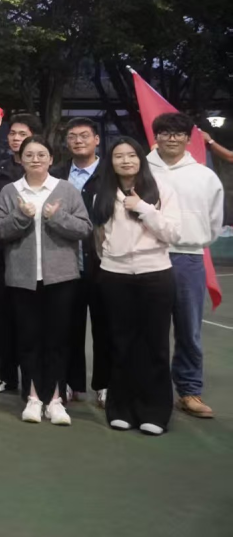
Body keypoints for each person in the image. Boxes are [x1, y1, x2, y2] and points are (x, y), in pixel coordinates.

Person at [0, 135, 93, 426]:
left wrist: (56, 218)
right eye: (29, 155)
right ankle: (34, 397)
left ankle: (56, 400)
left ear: (51, 159)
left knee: (58, 340)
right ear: (20, 159)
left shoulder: (66, 190)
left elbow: (84, 228)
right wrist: (21, 216)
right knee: (28, 339)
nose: (35, 159)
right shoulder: (11, 191)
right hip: (22, 279)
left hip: (61, 278)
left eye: (41, 154)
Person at [89, 137, 182, 435]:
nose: (126, 160)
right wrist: (113, 261)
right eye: (119, 156)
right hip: (114, 276)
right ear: (111, 162)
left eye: (131, 155)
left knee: (154, 344)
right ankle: (121, 409)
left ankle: (154, 412)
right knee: (120, 343)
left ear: (141, 159)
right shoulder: (103, 195)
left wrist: (143, 207)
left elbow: (173, 233)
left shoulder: (161, 190)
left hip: (155, 274)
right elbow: (100, 239)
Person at [147, 111, 225, 419]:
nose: (172, 138)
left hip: (188, 258)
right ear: (156, 136)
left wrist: (193, 240)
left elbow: (215, 220)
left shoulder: (204, 176)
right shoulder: (141, 169)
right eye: (165, 132)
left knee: (188, 328)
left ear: (188, 139)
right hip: (147, 256)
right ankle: (146, 388)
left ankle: (190, 390)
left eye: (178, 133)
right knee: (146, 327)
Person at [0, 113, 41, 394]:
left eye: (22, 133)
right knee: (4, 318)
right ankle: (5, 374)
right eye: (13, 133)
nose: (16, 138)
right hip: (4, 255)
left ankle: (33, 378)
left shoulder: (45, 172)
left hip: (36, 256)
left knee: (32, 320)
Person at [51, 117, 107, 406]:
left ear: (97, 139)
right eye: (72, 136)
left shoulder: (110, 174)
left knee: (105, 327)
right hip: (67, 265)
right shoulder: (56, 175)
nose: (78, 140)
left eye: (84, 135)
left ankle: (105, 384)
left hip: (103, 265)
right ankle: (72, 383)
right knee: (67, 328)